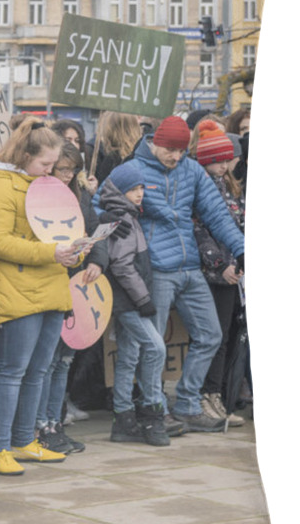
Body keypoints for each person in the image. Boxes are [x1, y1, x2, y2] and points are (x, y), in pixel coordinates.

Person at [96, 115, 245, 433]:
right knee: (153, 347)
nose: (176, 157)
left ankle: (189, 404)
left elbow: (217, 214)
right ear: (156, 143)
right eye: (170, 150)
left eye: (181, 151)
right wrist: (110, 216)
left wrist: (242, 248)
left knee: (210, 335)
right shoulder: (133, 168)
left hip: (190, 266)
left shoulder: (191, 169)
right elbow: (98, 203)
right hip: (154, 270)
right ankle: (156, 409)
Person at [0, 118, 87, 476]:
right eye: (44, 164)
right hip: (15, 291)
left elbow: (65, 229)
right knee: (12, 371)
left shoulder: (47, 186)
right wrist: (53, 253)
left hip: (51, 288)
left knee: (38, 371)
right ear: (25, 155)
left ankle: (25, 440)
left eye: (54, 166)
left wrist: (78, 249)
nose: (50, 171)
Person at [33, 142, 107, 453]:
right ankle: (39, 425)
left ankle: (55, 421)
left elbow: (93, 229)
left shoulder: (80, 193)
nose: (67, 176)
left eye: (71, 170)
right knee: (47, 362)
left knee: (64, 360)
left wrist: (97, 260)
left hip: (76, 285)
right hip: (49, 282)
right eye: (62, 169)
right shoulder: (40, 191)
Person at [98, 163, 169, 446]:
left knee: (129, 356)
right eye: (132, 189)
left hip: (126, 301)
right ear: (120, 191)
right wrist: (144, 300)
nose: (139, 194)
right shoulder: (123, 220)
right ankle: (153, 413)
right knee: (155, 347)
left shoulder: (123, 216)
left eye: (141, 188)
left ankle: (123, 417)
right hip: (129, 302)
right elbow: (124, 266)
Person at [192, 121, 246, 427]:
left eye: (227, 160)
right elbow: (201, 231)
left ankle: (217, 395)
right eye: (218, 160)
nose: (224, 166)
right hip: (213, 273)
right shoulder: (202, 186)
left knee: (224, 336)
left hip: (231, 273)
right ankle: (205, 392)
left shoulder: (226, 186)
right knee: (211, 337)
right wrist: (220, 265)